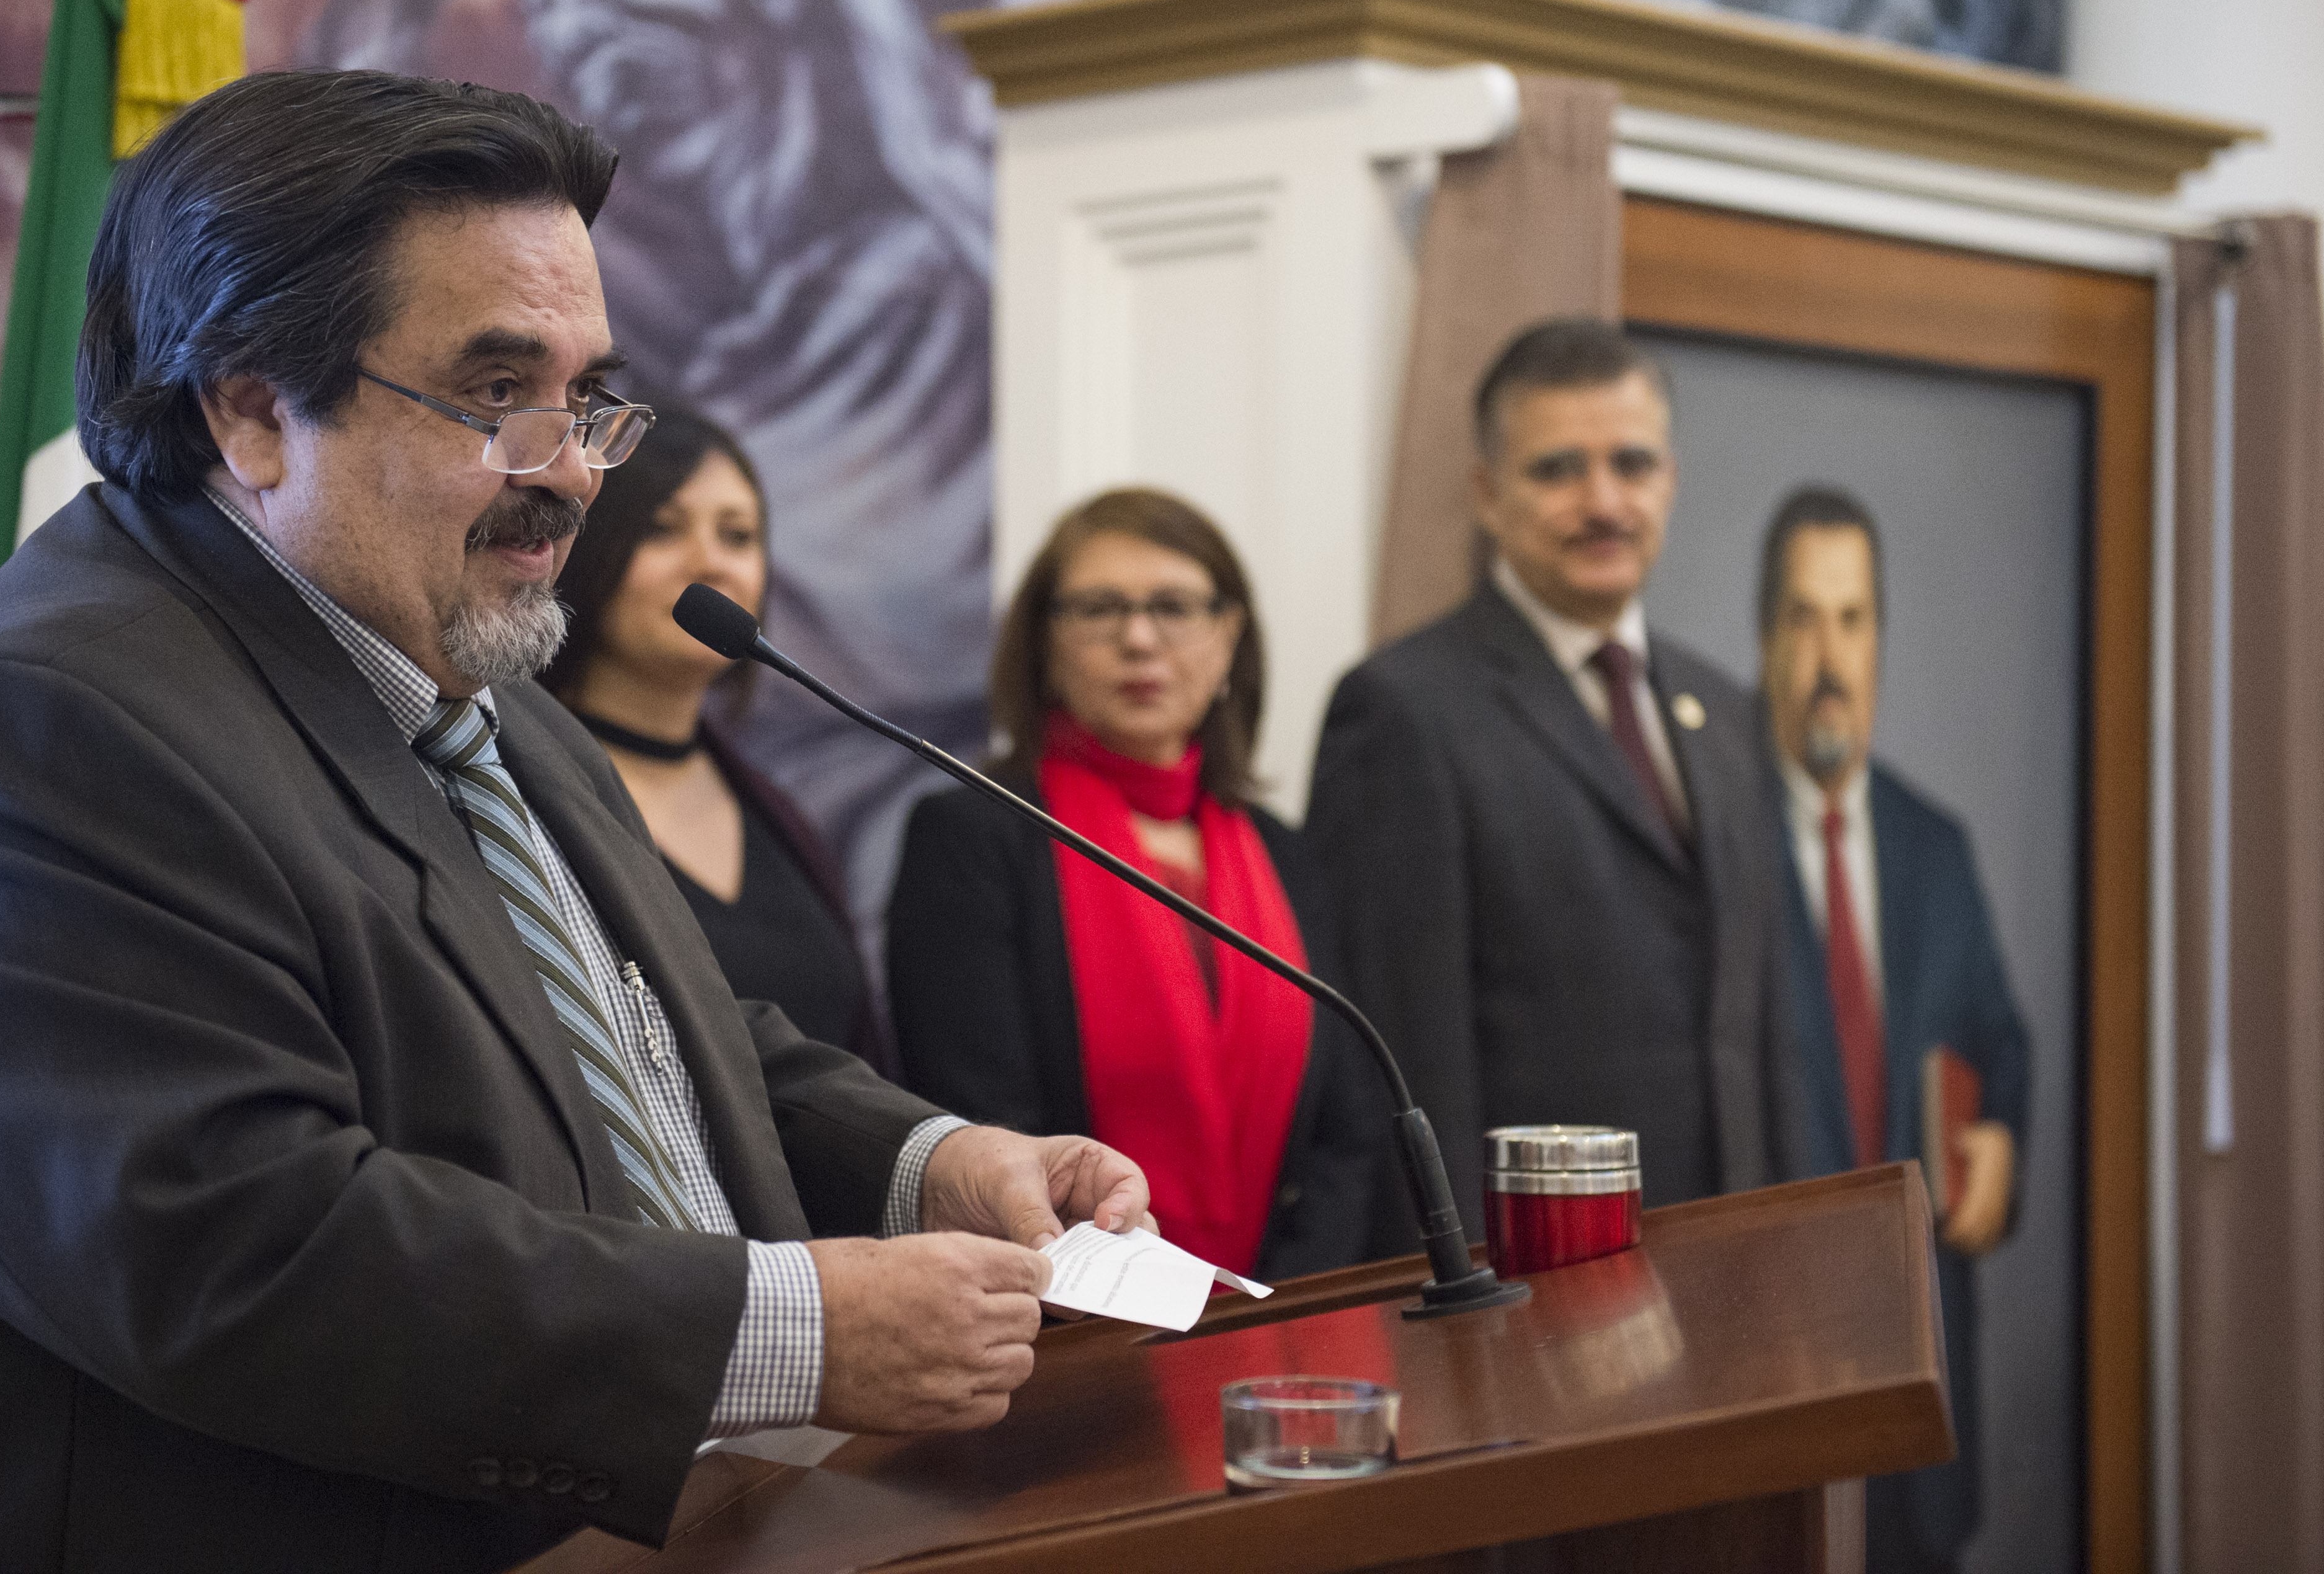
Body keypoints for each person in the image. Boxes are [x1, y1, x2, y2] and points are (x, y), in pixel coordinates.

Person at [0, 70, 1154, 1573]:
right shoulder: (19, 736)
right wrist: (795, 1336)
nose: (570, 471)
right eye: (497, 395)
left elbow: (659, 1030)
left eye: (583, 398)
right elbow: (247, 1249)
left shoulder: (467, 680)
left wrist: (927, 1162)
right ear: (249, 406)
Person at [1306, 318, 1805, 1249]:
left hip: (1728, 1255)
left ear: (1671, 478)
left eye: (1631, 463)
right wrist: (1458, 1296)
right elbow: (1405, 1063)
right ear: (1487, 495)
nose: (1603, 500)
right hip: (1537, 1276)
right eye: (1557, 470)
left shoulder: (1726, 710)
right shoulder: (1403, 710)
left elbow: (1765, 1032)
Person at [888, 489, 1385, 1283]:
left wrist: (1273, 1302)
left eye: (1175, 606)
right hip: (1065, 1320)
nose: (1140, 637)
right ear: (1045, 643)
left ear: (1229, 640)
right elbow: (983, 1121)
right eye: (1099, 608)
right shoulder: (973, 837)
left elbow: (1349, 1126)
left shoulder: (1285, 852)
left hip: (1283, 1312)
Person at [1758, 485, 2029, 1574]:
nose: (1829, 654)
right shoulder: (1705, 842)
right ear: (1764, 638)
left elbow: (1996, 1038)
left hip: (1921, 1375)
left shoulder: (1934, 845)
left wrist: (2002, 1135)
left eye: (1852, 618)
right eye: (1801, 617)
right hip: (1770, 1377)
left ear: (1879, 639)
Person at [539, 409, 871, 1056]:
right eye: (663, 529)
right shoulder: (528, 782)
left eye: (739, 536)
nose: (711, 563)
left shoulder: (779, 816)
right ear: (590, 546)